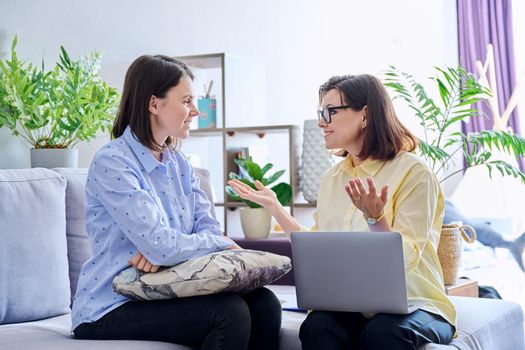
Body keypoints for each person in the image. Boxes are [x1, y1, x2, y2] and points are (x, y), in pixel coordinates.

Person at [228, 74, 456, 349]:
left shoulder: (414, 172)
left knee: (383, 333)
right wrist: (275, 207)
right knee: (317, 326)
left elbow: (405, 259)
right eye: (320, 112)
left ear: (365, 115)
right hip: (354, 304)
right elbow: (316, 244)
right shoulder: (333, 179)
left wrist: (376, 218)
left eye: (330, 112)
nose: (322, 121)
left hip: (417, 303)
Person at [71, 55, 281, 350]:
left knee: (265, 303)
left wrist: (169, 251)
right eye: (186, 101)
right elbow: (164, 245)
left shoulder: (179, 163)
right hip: (111, 304)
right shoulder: (113, 162)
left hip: (165, 288)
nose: (195, 110)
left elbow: (198, 232)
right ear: (154, 104)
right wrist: (207, 244)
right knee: (228, 313)